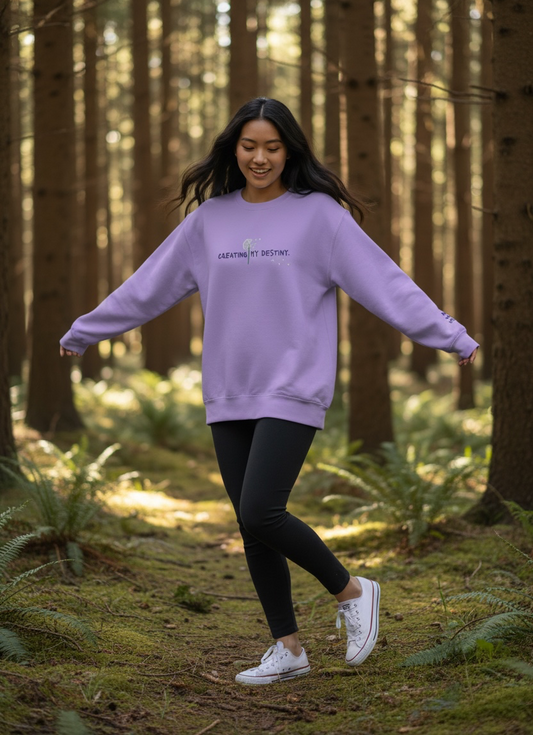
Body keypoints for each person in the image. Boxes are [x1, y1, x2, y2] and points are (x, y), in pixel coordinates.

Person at [60, 97, 479, 685]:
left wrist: (452, 337)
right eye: (250, 145)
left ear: (290, 150)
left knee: (262, 508)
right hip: (228, 389)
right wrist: (87, 330)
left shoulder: (321, 217)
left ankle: (354, 590)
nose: (260, 157)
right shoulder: (209, 220)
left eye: (273, 147)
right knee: (250, 523)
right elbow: (147, 286)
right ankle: (289, 648)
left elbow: (388, 285)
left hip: (293, 386)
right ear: (235, 148)